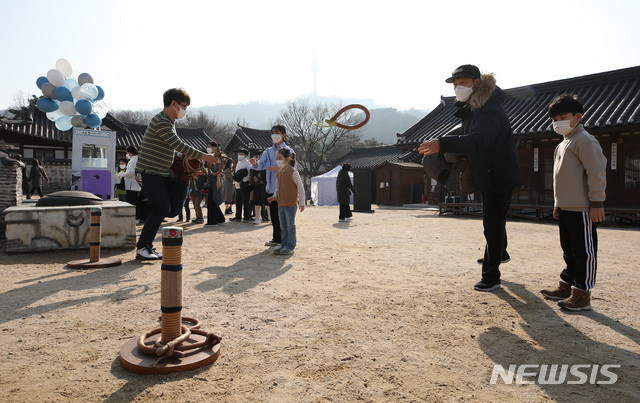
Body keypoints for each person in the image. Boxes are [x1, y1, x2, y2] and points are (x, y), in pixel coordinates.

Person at [419, 64, 522, 292]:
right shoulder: (473, 109)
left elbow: (478, 140)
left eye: (463, 83)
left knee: (492, 224)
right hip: (486, 173)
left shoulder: (489, 110)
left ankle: (491, 276)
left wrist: (442, 143)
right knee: (494, 220)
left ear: (477, 83)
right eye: (455, 85)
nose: (458, 88)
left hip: (499, 174)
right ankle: (499, 253)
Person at [134, 88, 218, 260]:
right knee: (162, 207)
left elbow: (173, 149)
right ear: (173, 104)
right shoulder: (160, 121)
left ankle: (146, 245)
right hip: (149, 171)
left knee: (172, 210)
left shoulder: (170, 121)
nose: (185, 110)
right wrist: (204, 157)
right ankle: (143, 247)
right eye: (184, 106)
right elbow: (177, 144)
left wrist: (184, 159)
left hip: (163, 172)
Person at [540, 94, 606, 311]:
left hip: (583, 208)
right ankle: (567, 285)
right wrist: (558, 203)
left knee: (584, 251)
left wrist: (597, 202)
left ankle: (583, 293)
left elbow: (596, 172)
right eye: (555, 118)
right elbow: (562, 178)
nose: (558, 121)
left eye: (563, 116)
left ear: (577, 117)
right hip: (567, 207)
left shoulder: (585, 140)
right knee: (568, 249)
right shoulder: (564, 143)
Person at [251, 125, 294, 246]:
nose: (274, 135)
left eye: (277, 132)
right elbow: (261, 165)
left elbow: (293, 167)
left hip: (284, 187)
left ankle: (285, 240)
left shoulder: (287, 150)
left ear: (283, 135)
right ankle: (276, 238)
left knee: (284, 216)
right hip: (271, 186)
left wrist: (278, 168)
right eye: (273, 132)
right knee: (274, 214)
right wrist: (255, 164)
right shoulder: (268, 151)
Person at [267, 148, 305, 254]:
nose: (277, 160)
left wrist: (301, 202)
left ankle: (290, 246)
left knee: (290, 226)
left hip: (290, 204)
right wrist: (274, 196)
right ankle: (283, 244)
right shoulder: (279, 173)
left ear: (287, 159)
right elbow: (278, 188)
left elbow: (300, 188)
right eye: (276, 158)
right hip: (281, 204)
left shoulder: (294, 172)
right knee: (283, 227)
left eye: (280, 158)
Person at [118, 146, 143, 223]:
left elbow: (131, 172)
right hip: (135, 184)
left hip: (131, 185)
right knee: (135, 202)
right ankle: (136, 218)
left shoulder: (132, 161)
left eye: (127, 153)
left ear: (130, 153)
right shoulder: (137, 159)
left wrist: (122, 174)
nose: (127, 154)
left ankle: (134, 218)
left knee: (132, 202)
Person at [204, 141, 226, 227]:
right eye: (208, 146)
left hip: (216, 180)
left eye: (210, 146)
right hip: (211, 180)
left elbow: (219, 169)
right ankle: (220, 219)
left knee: (212, 201)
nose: (208, 148)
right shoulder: (209, 156)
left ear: (215, 147)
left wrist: (218, 181)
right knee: (212, 200)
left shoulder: (219, 157)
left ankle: (212, 221)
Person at [231, 149, 252, 222]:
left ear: (246, 155)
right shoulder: (238, 163)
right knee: (238, 201)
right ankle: (238, 216)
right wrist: (235, 183)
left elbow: (249, 173)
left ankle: (246, 216)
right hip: (237, 185)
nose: (240, 155)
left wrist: (243, 181)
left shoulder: (248, 163)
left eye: (241, 154)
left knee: (245, 201)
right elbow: (236, 173)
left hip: (244, 184)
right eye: (239, 153)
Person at [249, 153, 267, 225]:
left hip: (267, 185)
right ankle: (257, 218)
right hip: (257, 185)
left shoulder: (268, 164)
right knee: (257, 202)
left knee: (268, 203)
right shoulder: (254, 166)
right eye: (260, 155)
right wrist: (255, 164)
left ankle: (270, 219)